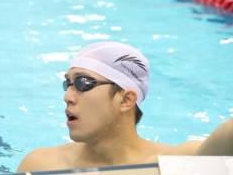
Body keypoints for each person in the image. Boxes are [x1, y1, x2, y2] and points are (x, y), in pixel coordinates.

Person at [17, 41, 233, 172]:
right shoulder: (40, 164)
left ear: (127, 100)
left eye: (83, 83)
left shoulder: (176, 161)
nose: (67, 96)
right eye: (68, 83)